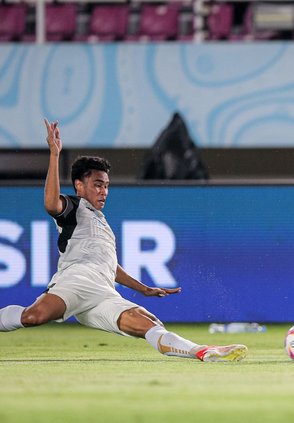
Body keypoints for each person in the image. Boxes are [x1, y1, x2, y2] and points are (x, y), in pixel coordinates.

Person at [0, 119, 247, 363]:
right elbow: (51, 204)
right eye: (97, 185)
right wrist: (54, 155)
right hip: (76, 282)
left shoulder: (102, 223)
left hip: (103, 292)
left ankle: (202, 351)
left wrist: (143, 289)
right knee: (32, 317)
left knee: (149, 324)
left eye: (106, 186)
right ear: (79, 185)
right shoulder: (75, 207)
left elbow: (110, 266)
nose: (104, 191)